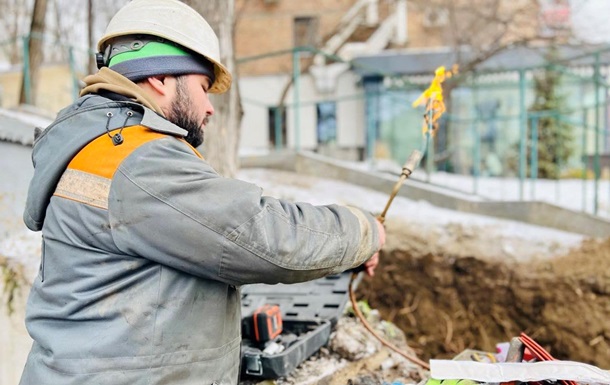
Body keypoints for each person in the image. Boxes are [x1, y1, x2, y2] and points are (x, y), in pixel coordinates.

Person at [19, 0, 385, 384]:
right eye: (203, 87)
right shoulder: (137, 159)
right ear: (160, 77)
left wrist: (343, 257)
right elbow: (265, 238)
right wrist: (365, 232)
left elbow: (199, 239)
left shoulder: (100, 145)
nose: (210, 108)